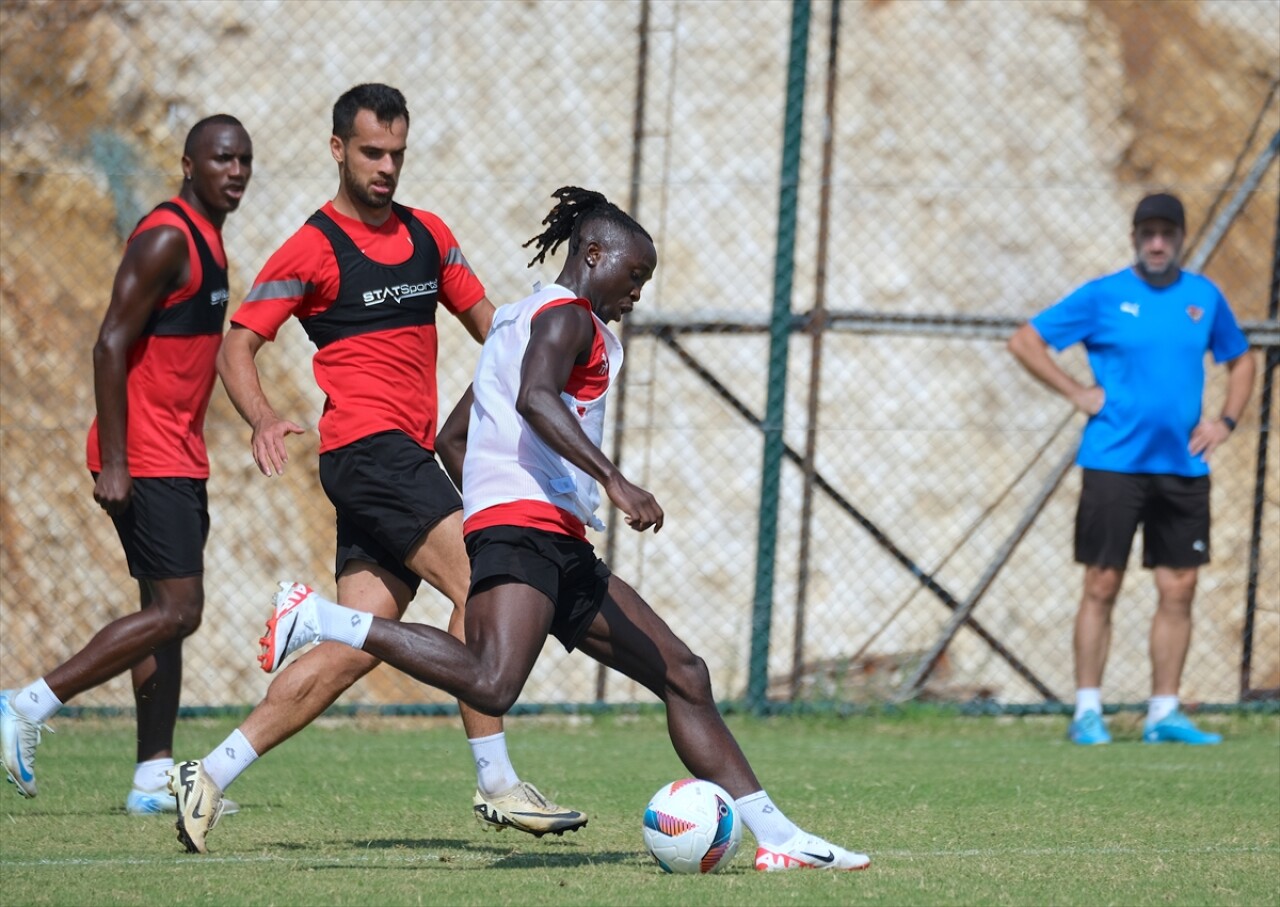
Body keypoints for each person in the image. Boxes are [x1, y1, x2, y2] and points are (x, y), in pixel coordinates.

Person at [255, 186, 871, 871]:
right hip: (528, 533)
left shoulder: (516, 321)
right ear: (594, 254)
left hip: (551, 537)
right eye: (634, 274)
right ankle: (320, 619)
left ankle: (778, 838)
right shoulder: (567, 318)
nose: (637, 292)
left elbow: (457, 436)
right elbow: (535, 397)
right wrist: (610, 481)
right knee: (492, 682)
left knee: (683, 673)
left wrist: (496, 503)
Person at [165, 84, 583, 854]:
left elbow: (493, 329)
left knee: (358, 644)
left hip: (397, 459)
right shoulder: (313, 247)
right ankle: (497, 780)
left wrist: (553, 359)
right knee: (483, 583)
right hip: (369, 451)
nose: (386, 167)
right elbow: (237, 344)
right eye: (370, 153)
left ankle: (209, 772)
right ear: (338, 150)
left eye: (396, 154)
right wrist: (262, 417)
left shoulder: (429, 236)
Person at [0, 116, 254, 815]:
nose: (235, 171)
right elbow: (109, 343)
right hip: (144, 454)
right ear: (188, 165)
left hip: (179, 452)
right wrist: (115, 460)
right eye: (222, 158)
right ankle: (26, 704)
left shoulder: (210, 238)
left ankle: (151, 775)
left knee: (163, 613)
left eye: (243, 160)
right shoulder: (167, 235)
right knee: (180, 608)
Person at [1007, 192, 1255, 746]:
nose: (1157, 243)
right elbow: (1025, 342)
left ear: (1181, 238)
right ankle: (1087, 712)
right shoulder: (1103, 295)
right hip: (1113, 464)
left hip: (1184, 468)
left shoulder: (1203, 297)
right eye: (1148, 233)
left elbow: (1241, 359)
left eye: (1167, 233)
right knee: (1102, 583)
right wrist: (1077, 392)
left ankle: (1163, 713)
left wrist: (1225, 422)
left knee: (1179, 587)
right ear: (1135, 238)